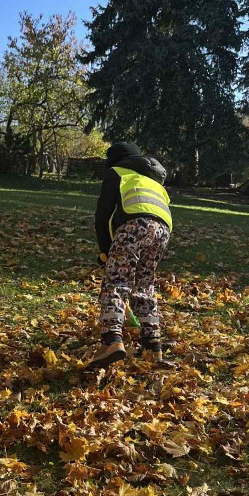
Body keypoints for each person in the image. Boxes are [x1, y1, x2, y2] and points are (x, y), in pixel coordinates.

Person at [89, 141, 173, 369]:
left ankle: (112, 340)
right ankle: (152, 344)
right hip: (162, 231)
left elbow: (103, 216)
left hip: (134, 226)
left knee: (117, 282)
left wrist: (105, 251)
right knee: (145, 285)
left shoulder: (117, 172)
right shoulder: (153, 179)